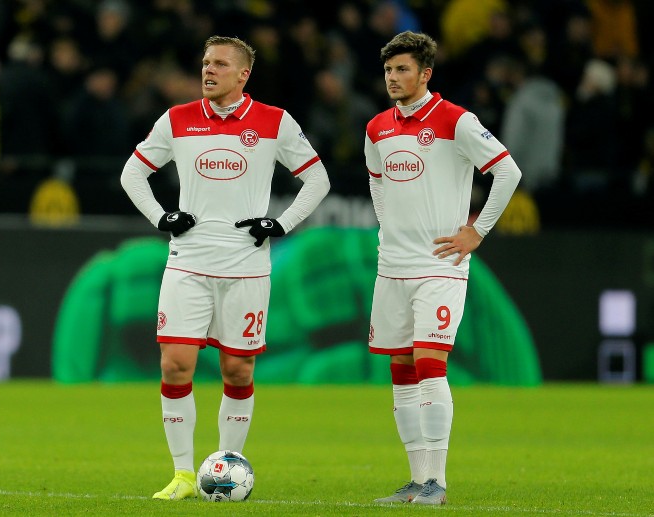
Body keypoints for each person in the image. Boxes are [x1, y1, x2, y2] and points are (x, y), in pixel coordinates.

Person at [119, 35, 330, 501]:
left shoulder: (274, 121)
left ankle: (226, 466)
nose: (208, 71)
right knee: (176, 364)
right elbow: (132, 172)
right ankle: (182, 474)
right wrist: (160, 217)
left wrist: (281, 223)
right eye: (205, 63)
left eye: (219, 64)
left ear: (243, 74)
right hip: (188, 262)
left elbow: (318, 179)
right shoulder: (177, 119)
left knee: (237, 370)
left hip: (246, 266)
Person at [365, 31, 521, 505]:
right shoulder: (376, 127)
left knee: (430, 362)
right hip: (393, 265)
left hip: (440, 262)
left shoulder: (457, 120)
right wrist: (387, 228)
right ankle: (416, 480)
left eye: (403, 69)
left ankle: (437, 481)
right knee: (401, 367)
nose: (393, 78)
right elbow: (378, 182)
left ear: (425, 73)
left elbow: (508, 171)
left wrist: (477, 230)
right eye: (388, 70)